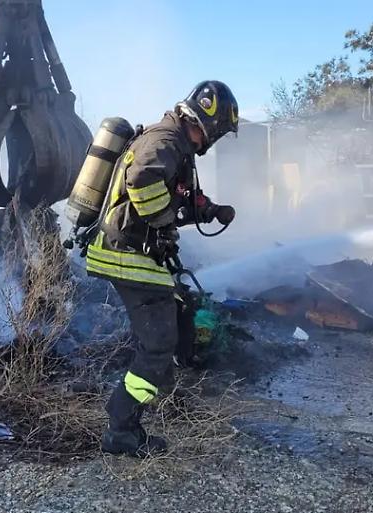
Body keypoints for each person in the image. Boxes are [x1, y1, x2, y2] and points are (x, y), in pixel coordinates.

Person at [85, 80, 238, 458]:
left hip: (135, 254)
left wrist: (210, 210)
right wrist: (165, 221)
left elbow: (182, 196)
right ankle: (121, 428)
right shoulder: (166, 140)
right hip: (126, 254)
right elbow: (142, 181)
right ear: (210, 120)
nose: (213, 140)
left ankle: (156, 390)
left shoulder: (177, 147)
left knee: (175, 319)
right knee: (157, 347)